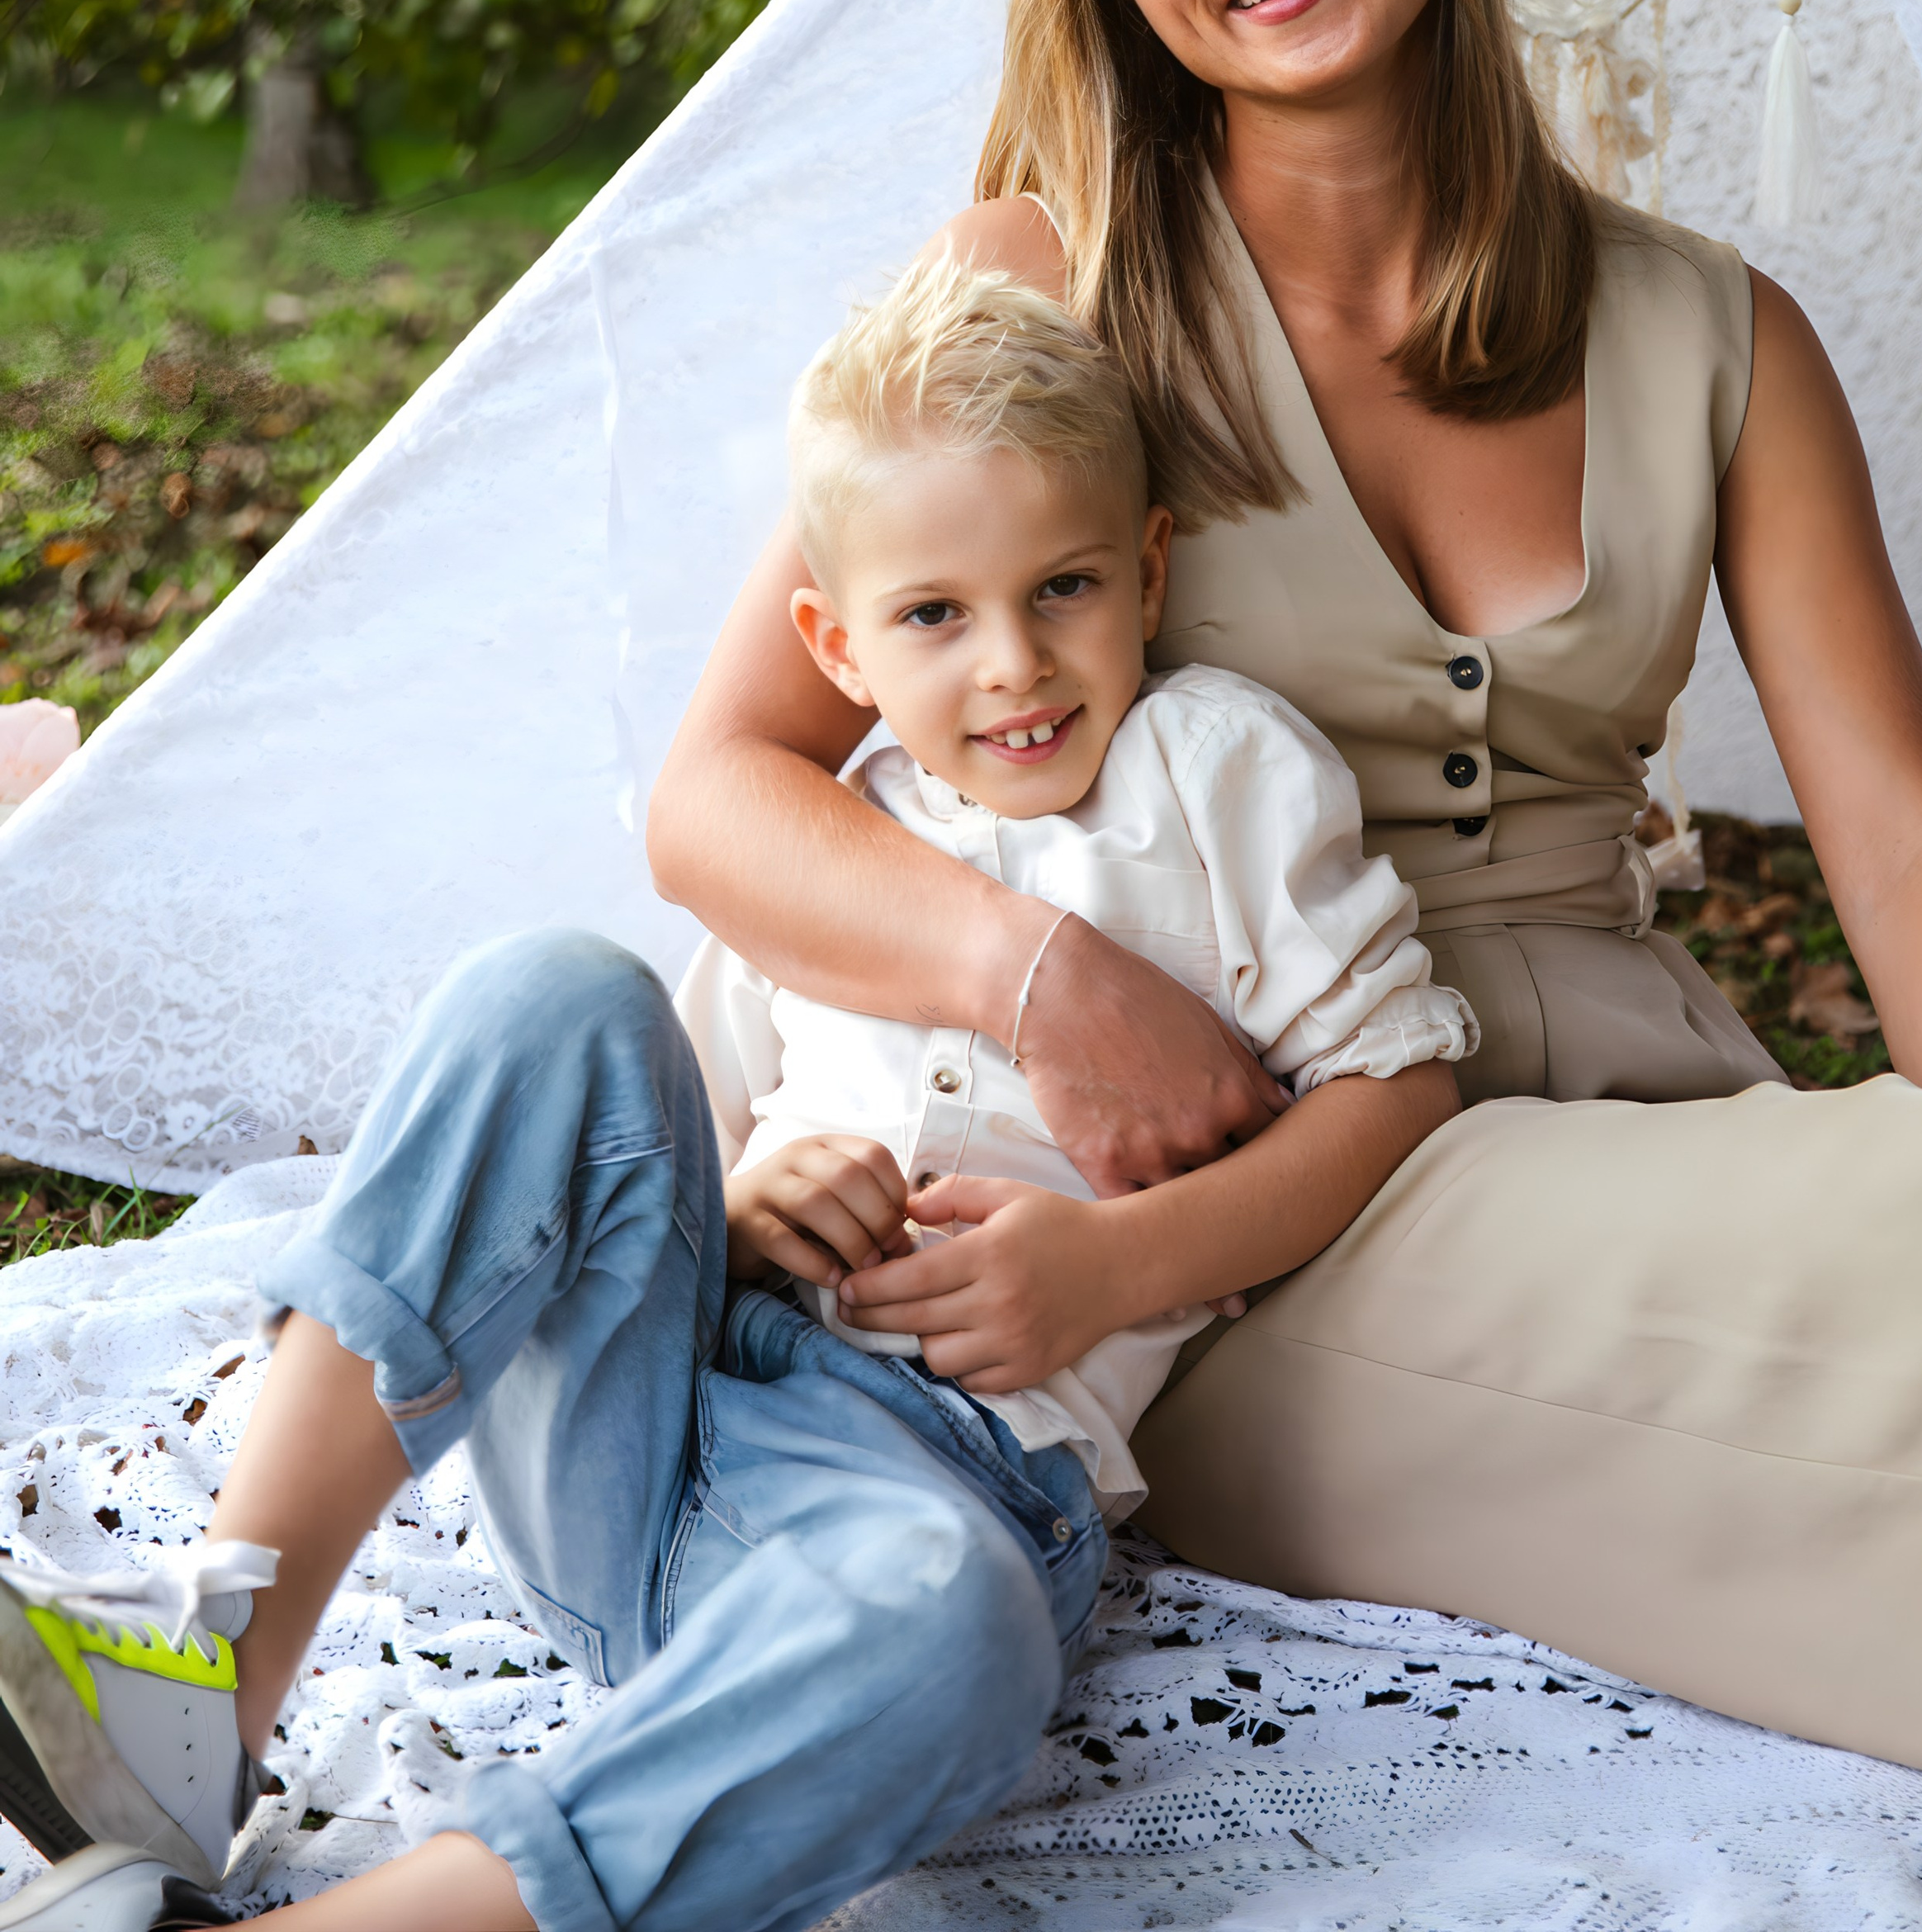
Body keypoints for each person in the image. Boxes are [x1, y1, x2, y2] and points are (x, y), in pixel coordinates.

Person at [651, 0, 1922, 1794]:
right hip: (1241, 1212)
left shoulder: (1719, 335)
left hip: (1636, 1119)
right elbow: (720, 795)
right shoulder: (1040, 289)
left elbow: (1898, 836)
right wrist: (1041, 976)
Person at [0, 256, 1465, 1932]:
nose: (1011, 665)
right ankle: (211, 1679)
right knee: (552, 991)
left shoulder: (1221, 775)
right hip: (646, 1441)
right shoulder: (835, 834)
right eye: (933, 614)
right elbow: (649, 1142)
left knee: (952, 1619)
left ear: (1146, 568)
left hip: (931, 1499)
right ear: (833, 644)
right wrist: (752, 1216)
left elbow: (1392, 1087)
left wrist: (1113, 1268)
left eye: (1062, 587)